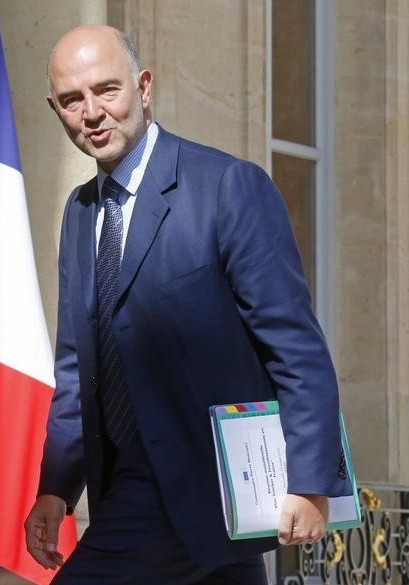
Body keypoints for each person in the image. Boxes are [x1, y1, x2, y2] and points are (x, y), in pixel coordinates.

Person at [24, 25, 351, 584]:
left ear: (144, 87)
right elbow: (79, 368)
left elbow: (294, 344)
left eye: (108, 90)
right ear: (55, 109)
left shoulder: (227, 186)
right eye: (73, 100)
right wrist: (56, 486)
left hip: (208, 486)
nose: (93, 113)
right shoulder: (80, 213)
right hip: (134, 492)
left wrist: (310, 479)